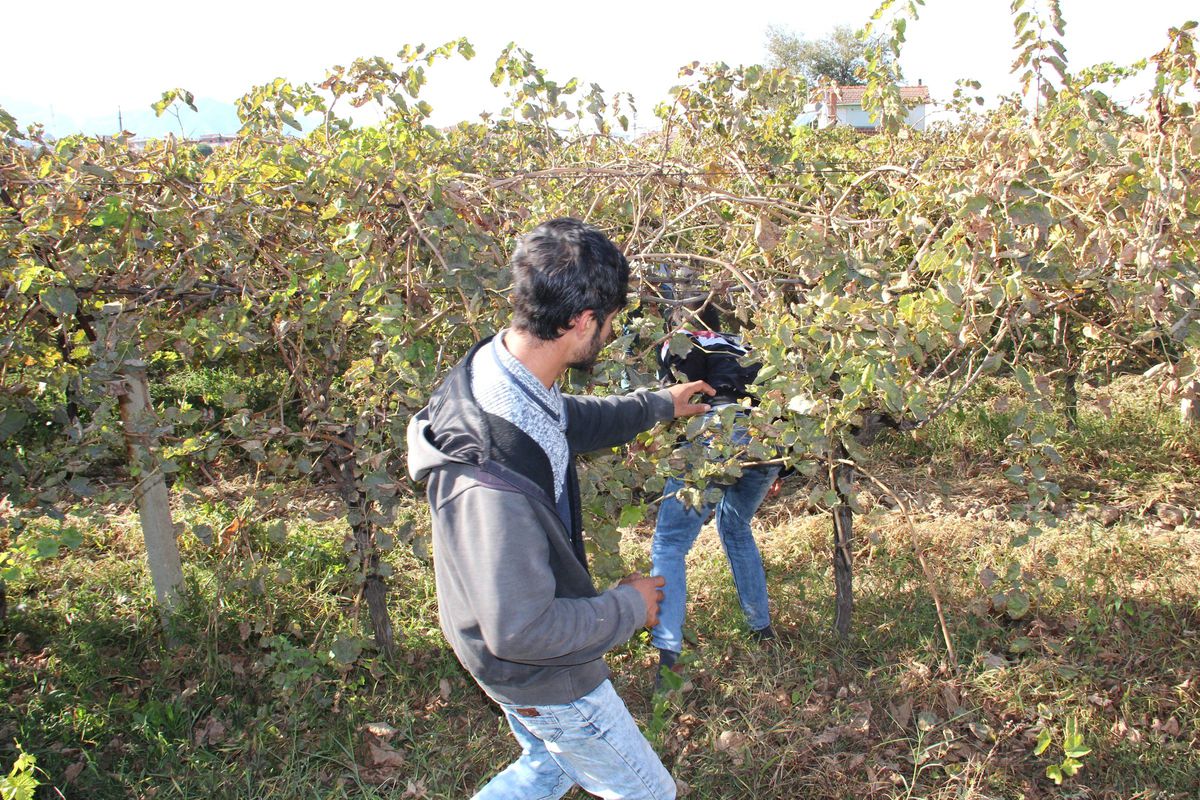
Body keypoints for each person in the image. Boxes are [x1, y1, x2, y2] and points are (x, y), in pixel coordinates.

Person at [406, 218, 714, 800]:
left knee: (550, 766)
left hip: (500, 647)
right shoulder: (490, 479)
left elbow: (563, 423)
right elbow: (522, 630)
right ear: (582, 321)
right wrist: (627, 606)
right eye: (610, 320)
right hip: (543, 673)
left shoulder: (504, 372)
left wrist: (658, 405)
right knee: (650, 793)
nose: (611, 331)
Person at [650, 301, 783, 687]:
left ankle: (668, 660)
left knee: (669, 544)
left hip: (716, 431)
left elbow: (675, 401)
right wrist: (782, 468)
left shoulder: (679, 343)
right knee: (736, 525)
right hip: (765, 439)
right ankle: (762, 629)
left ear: (677, 322)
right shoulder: (746, 345)